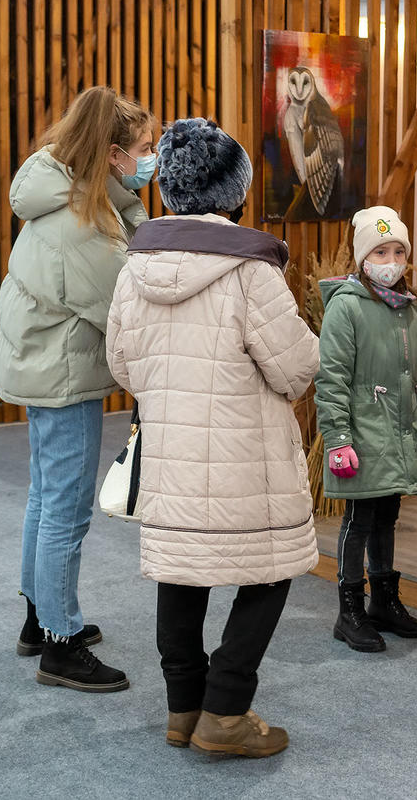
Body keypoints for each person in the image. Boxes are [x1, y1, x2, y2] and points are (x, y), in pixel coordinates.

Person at [105, 118, 320, 758]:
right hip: (246, 461)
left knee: (181, 572)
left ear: (169, 188)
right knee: (272, 570)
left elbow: (122, 364)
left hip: (170, 455)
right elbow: (295, 369)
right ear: (235, 190)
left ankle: (184, 709)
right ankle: (225, 708)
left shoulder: (135, 268)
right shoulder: (251, 270)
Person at [0, 86, 157, 693]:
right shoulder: (82, 222)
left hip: (43, 366)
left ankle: (40, 618)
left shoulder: (70, 195)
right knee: (65, 509)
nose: (151, 158)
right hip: (62, 376)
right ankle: (60, 645)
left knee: (45, 498)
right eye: (144, 148)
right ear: (114, 155)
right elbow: (124, 303)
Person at [314, 206, 417, 654]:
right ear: (362, 258)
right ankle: (349, 609)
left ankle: (384, 601)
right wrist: (338, 440)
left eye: (398, 252)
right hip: (362, 437)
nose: (391, 261)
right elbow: (331, 380)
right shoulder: (346, 307)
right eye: (380, 252)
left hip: (400, 436)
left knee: (388, 515)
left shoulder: (414, 312)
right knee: (360, 519)